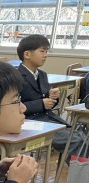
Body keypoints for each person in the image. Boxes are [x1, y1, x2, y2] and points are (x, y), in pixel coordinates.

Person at [17, 34, 83, 164]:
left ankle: (80, 173)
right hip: (29, 121)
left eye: (46, 52)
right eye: (42, 51)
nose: (45, 55)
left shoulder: (42, 75)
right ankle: (78, 173)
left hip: (47, 119)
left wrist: (53, 98)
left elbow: (47, 102)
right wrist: (41, 103)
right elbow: (14, 106)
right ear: (27, 54)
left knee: (82, 138)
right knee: (75, 141)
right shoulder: (15, 76)